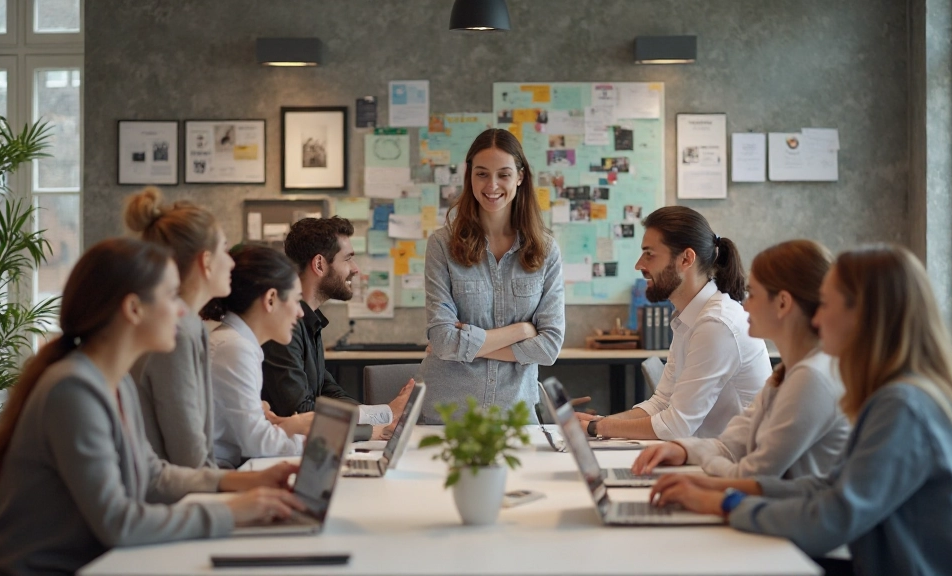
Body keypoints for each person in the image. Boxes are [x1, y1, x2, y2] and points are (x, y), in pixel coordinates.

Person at [648, 245, 952, 576]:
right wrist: (716, 492)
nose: (818, 315)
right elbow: (829, 486)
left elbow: (833, 519)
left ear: (862, 315)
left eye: (826, 303)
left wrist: (724, 505)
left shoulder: (903, 406)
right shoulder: (898, 393)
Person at [0, 239, 306, 575]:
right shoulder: (73, 390)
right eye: (171, 296)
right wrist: (232, 512)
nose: (184, 310)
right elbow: (118, 522)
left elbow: (152, 474)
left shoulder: (117, 381)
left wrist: (238, 483)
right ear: (134, 309)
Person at [632, 240, 849, 479]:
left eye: (753, 293)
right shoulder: (786, 373)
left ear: (783, 303)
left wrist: (698, 472)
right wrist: (682, 450)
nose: (744, 304)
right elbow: (730, 445)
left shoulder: (811, 379)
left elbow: (752, 475)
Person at [577, 206, 772, 440]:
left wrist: (597, 428)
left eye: (650, 254)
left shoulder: (716, 324)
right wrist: (601, 422)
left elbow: (675, 425)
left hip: (737, 464)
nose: (639, 265)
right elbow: (661, 403)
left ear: (686, 259)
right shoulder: (689, 317)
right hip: (707, 456)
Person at [421, 128, 565, 423]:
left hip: (516, 415)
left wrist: (466, 344)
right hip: (448, 416)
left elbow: (549, 347)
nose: (492, 185)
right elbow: (444, 340)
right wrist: (522, 331)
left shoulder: (546, 250)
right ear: (469, 175)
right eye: (482, 174)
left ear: (520, 177)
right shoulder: (441, 245)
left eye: (504, 174)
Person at [261, 217, 413, 442]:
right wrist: (383, 418)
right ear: (320, 264)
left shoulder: (310, 321)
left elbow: (328, 391)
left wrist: (382, 416)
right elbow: (300, 410)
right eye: (348, 258)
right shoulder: (284, 327)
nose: (355, 269)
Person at [124, 186, 233, 468]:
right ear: (206, 262)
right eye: (225, 249)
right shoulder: (178, 333)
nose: (232, 261)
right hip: (167, 499)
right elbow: (191, 459)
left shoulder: (188, 326)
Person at [203, 245, 308, 469]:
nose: (300, 312)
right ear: (270, 299)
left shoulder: (237, 343)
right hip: (218, 474)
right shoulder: (235, 347)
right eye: (297, 300)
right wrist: (314, 442)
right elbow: (258, 442)